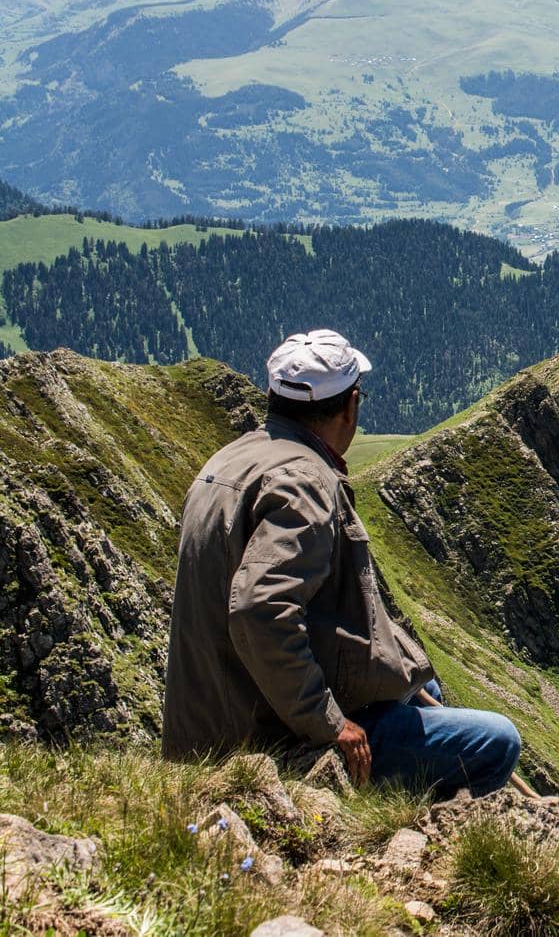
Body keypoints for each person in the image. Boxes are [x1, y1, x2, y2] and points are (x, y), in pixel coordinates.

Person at [161, 329, 520, 797]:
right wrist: (329, 722)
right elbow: (258, 608)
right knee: (496, 741)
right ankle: (407, 832)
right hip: (269, 741)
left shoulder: (227, 462)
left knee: (423, 693)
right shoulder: (305, 483)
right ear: (351, 404)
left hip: (210, 727)